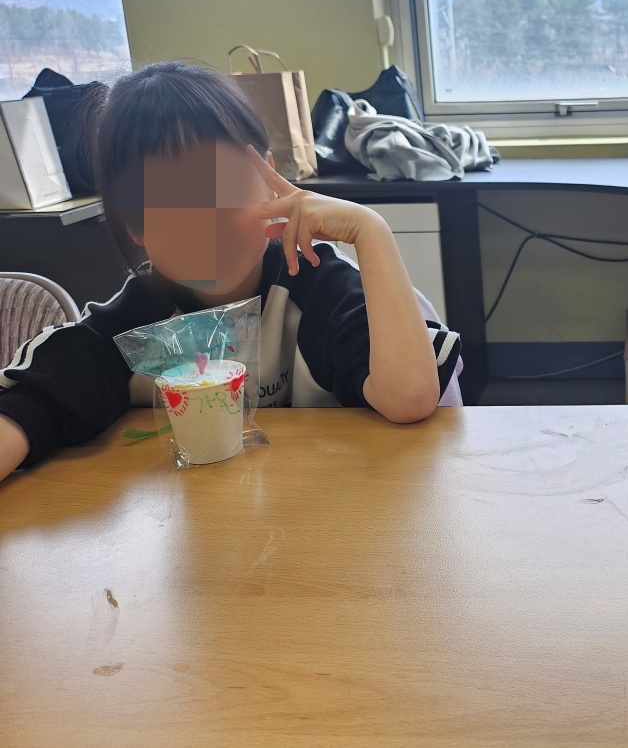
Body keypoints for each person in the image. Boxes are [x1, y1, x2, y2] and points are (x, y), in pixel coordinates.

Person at [0, 62, 461, 482]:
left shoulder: (319, 287)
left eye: (225, 186)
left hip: (330, 509)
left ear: (269, 181)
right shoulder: (133, 328)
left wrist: (370, 230)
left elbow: (409, 399)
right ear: (133, 223)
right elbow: (31, 405)